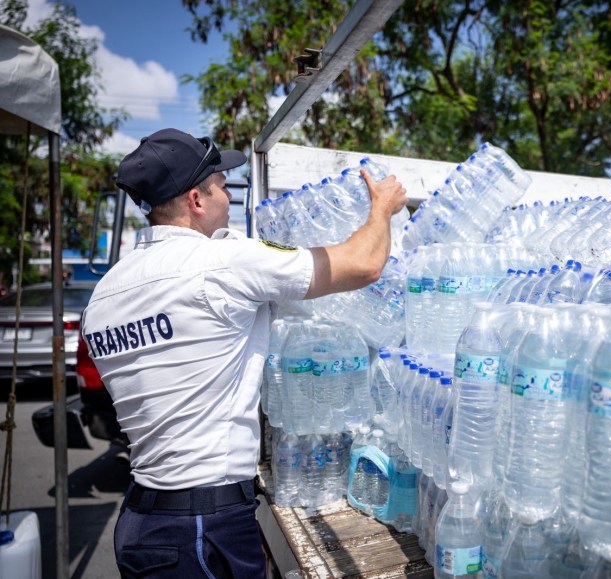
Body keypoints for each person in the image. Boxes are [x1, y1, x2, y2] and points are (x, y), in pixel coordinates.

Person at [79, 128, 407, 578]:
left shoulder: (103, 296)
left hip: (141, 519)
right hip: (203, 525)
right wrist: (382, 209)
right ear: (196, 200)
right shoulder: (223, 262)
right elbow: (363, 264)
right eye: (221, 187)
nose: (228, 199)